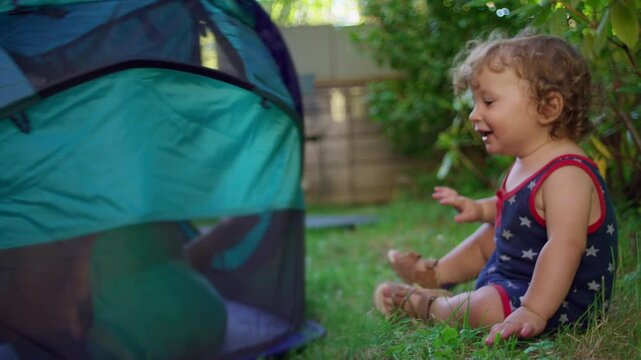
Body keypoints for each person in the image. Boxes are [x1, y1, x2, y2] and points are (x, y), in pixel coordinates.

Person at [373, 33, 618, 345]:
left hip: (561, 300)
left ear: (548, 107)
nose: (475, 114)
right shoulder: (527, 161)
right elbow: (521, 210)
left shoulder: (567, 173)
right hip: (517, 277)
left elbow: (565, 244)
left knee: (484, 307)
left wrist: (532, 310)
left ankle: (427, 305)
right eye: (476, 103)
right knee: (494, 230)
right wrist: (481, 209)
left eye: (488, 102)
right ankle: (436, 275)